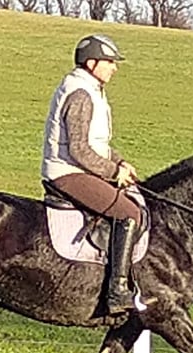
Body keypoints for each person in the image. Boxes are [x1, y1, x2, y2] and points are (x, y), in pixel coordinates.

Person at [41, 34, 144, 315]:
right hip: (68, 172)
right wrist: (113, 172)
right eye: (109, 62)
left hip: (78, 167)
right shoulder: (81, 94)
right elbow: (79, 149)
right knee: (129, 213)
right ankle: (118, 290)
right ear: (91, 63)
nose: (115, 67)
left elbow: (98, 143)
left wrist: (121, 161)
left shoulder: (91, 89)